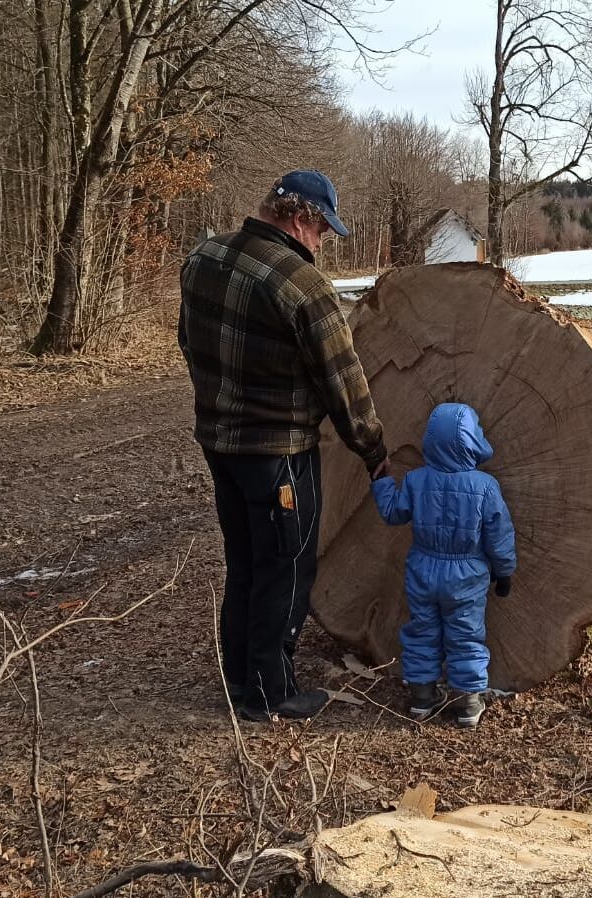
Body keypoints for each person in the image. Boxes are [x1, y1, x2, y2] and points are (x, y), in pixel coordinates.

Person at [178, 169, 389, 722]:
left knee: (245, 560)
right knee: (286, 567)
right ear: (300, 218)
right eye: (322, 230)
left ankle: (239, 679)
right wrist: (374, 452)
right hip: (279, 454)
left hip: (219, 444)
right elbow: (345, 383)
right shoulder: (303, 287)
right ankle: (270, 692)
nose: (321, 243)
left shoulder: (204, 259)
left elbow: (189, 342)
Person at [371, 403, 516, 728]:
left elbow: (393, 513)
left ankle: (422, 696)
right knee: (465, 633)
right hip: (466, 575)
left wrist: (382, 483)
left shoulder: (416, 480)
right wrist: (504, 570)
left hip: (423, 567)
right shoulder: (484, 487)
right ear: (473, 440)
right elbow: (499, 534)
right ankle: (468, 701)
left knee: (422, 629)